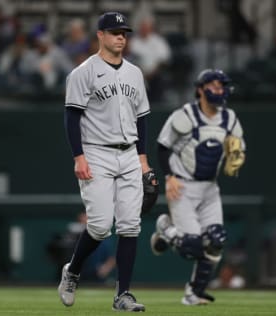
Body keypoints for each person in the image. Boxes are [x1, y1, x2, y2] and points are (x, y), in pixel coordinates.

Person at [58, 12, 153, 312]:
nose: (121, 37)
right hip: (96, 152)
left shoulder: (135, 73)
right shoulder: (83, 72)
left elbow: (142, 119)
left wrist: (143, 160)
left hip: (128, 154)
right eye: (114, 32)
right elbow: (71, 118)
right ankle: (72, 270)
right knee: (99, 227)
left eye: (124, 32)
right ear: (100, 35)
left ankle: (123, 294)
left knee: (130, 225)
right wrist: (78, 156)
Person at [150, 69, 246, 305]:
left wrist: (236, 157)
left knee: (216, 241)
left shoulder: (229, 118)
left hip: (210, 188)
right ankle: (164, 227)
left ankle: (194, 294)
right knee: (191, 247)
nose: (219, 90)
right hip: (182, 187)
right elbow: (163, 147)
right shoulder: (185, 115)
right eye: (213, 85)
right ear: (200, 89)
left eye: (221, 86)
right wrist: (169, 176)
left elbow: (236, 150)